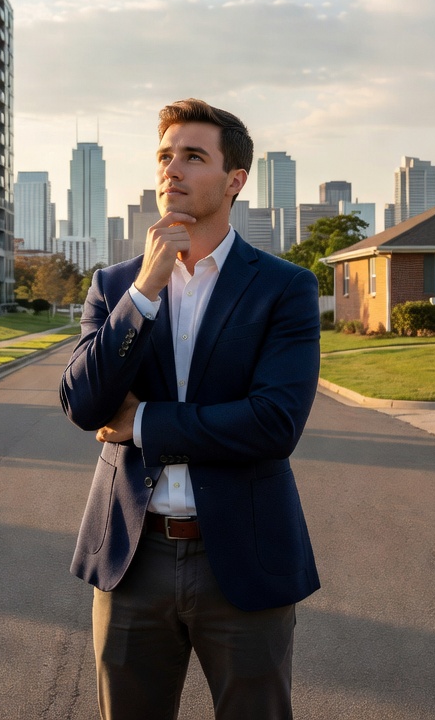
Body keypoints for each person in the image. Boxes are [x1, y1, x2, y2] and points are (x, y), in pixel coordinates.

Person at [60, 98, 322, 719]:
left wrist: (142, 423)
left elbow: (273, 424)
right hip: (132, 555)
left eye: (193, 156)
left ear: (235, 180)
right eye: (164, 156)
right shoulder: (115, 285)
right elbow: (82, 402)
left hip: (242, 554)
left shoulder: (284, 288)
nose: (171, 170)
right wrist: (146, 289)